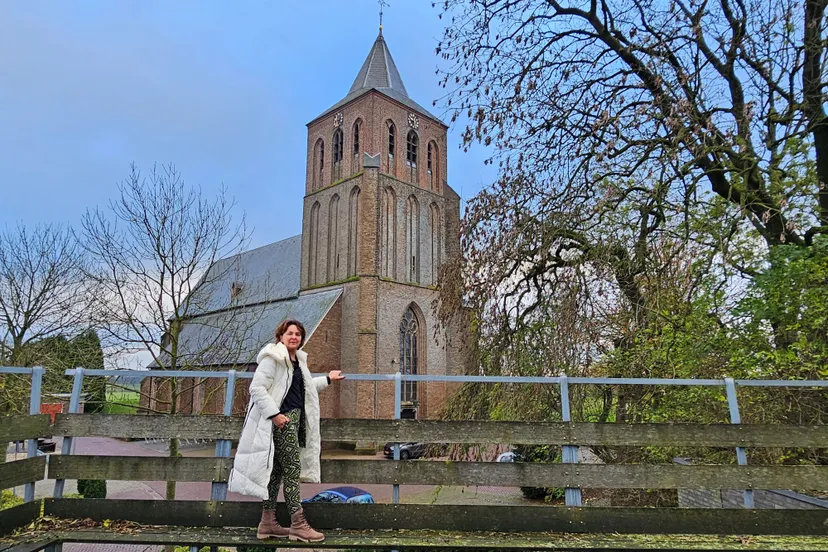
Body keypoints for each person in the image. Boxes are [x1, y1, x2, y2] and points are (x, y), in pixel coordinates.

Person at [228, 319, 344, 542]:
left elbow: (305, 388)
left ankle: (267, 523)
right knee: (292, 469)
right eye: (289, 333)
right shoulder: (273, 358)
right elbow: (256, 388)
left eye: (298, 334)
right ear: (280, 336)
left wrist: (328, 379)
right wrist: (274, 414)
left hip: (294, 420)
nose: (294, 337)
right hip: (283, 422)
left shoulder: (298, 361)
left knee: (276, 472)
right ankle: (298, 524)